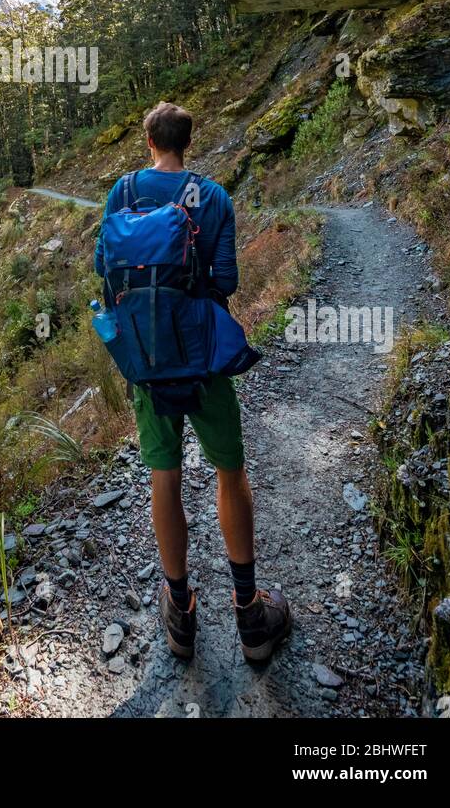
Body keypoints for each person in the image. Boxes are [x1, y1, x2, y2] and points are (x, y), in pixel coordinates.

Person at [94, 101, 291, 663]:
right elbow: (226, 278)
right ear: (187, 141)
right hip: (204, 360)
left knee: (165, 477)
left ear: (149, 141)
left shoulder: (123, 194)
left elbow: (102, 270)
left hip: (149, 364)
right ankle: (251, 615)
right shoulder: (215, 197)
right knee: (231, 472)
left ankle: (180, 616)